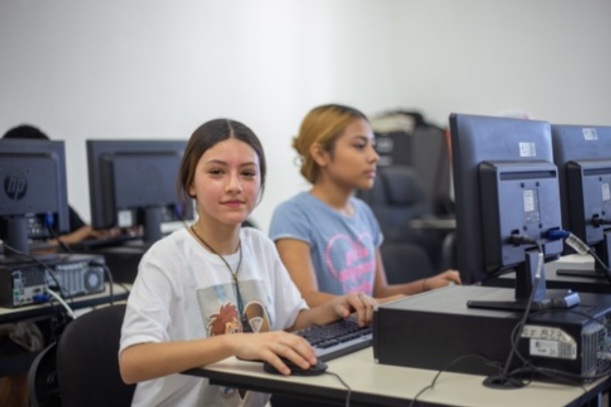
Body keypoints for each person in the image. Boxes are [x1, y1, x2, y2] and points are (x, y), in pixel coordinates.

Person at [118, 118, 375, 407]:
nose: (234, 186)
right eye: (217, 172)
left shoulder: (260, 246)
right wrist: (234, 342)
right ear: (191, 184)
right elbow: (132, 362)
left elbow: (292, 322)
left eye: (248, 173)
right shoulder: (166, 257)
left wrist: (334, 308)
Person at [269, 103, 462, 309]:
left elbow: (378, 292)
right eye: (360, 146)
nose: (374, 157)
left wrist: (427, 286)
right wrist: (377, 303)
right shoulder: (293, 215)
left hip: (365, 323)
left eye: (373, 146)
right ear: (320, 154)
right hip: (327, 330)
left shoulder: (363, 211)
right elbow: (305, 300)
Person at [2, 124, 110, 246]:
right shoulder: (4, 206)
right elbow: (23, 251)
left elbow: (86, 232)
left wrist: (107, 230)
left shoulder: (53, 204)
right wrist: (80, 235)